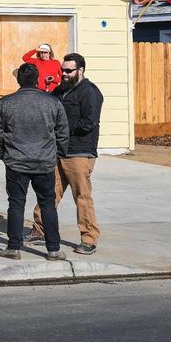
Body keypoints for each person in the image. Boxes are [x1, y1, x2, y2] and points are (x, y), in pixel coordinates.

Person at [0, 63, 69, 261]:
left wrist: (4, 155)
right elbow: (63, 133)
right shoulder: (52, 102)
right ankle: (53, 250)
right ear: (37, 79)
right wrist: (56, 155)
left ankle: (13, 248)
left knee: (16, 204)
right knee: (47, 205)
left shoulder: (5, 103)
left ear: (18, 80)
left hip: (16, 162)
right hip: (44, 162)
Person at [27, 53, 103, 255]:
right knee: (48, 193)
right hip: (57, 151)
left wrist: (61, 129)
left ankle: (89, 238)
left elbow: (89, 123)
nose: (65, 74)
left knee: (82, 197)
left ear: (81, 70)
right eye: (63, 70)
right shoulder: (60, 90)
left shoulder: (90, 92)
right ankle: (40, 230)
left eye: (69, 70)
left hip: (79, 152)